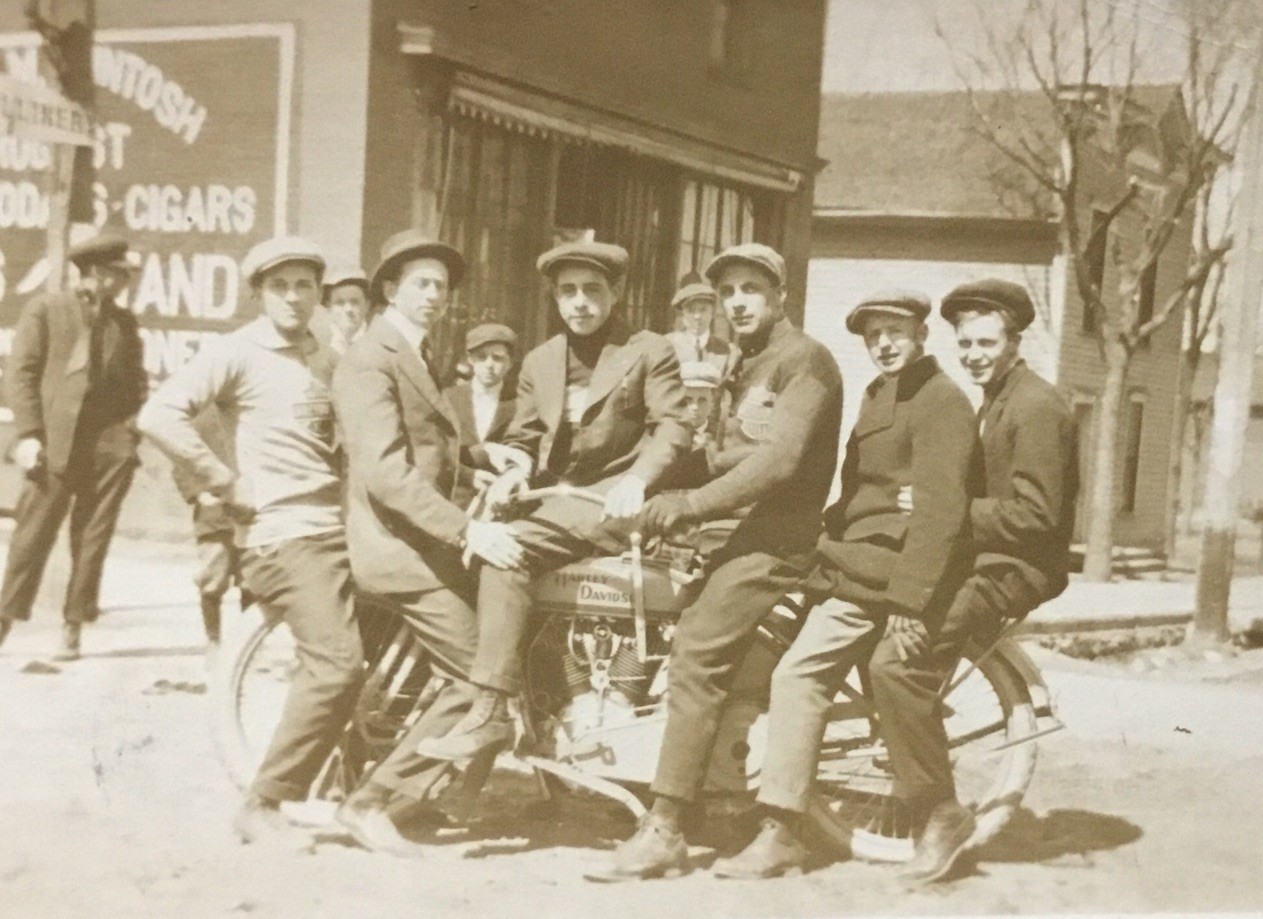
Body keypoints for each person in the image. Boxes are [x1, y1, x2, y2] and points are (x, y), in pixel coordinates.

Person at [588, 243, 844, 883]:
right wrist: (636, 484)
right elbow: (718, 455)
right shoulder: (744, 363)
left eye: (751, 289)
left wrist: (693, 506)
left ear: (780, 295)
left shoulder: (804, 361)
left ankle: (666, 828)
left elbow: (778, 461)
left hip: (774, 540)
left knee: (695, 656)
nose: (737, 302)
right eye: (728, 292)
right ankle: (716, 795)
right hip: (736, 534)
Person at [712, 289, 979, 880]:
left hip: (882, 571)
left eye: (895, 331)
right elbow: (860, 493)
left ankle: (781, 828)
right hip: (849, 556)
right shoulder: (879, 393)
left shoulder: (940, 401)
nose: (883, 343)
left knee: (797, 676)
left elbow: (939, 514)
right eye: (872, 335)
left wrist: (909, 601)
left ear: (921, 334)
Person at [414, 239, 693, 763]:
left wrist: (640, 477)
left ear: (616, 294)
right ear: (554, 298)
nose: (580, 302)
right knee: (474, 550)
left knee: (507, 553)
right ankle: (534, 710)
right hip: (555, 501)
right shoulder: (541, 361)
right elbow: (523, 438)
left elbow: (674, 425)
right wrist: (513, 471)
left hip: (615, 502)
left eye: (592, 290)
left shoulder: (648, 349)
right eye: (567, 292)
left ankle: (491, 710)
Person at [139, 236, 362, 848]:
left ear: (319, 293)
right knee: (339, 662)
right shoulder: (236, 351)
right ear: (261, 294)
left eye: (304, 286)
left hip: (340, 529)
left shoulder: (328, 357)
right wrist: (223, 481)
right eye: (279, 287)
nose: (294, 298)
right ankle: (263, 803)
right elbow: (159, 414)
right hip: (283, 535)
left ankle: (365, 791)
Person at [866, 278, 1078, 884]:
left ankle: (941, 814)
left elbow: (1038, 516)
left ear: (1015, 340)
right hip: (987, 555)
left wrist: (949, 507)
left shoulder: (1036, 405)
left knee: (896, 666)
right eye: (966, 343)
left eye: (987, 342)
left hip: (1018, 567)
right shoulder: (998, 396)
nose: (974, 355)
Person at [329, 229, 525, 856]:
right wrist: (469, 529)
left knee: (514, 626)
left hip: (423, 538)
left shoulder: (413, 351)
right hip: (395, 547)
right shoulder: (369, 357)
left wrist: (481, 456)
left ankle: (446, 791)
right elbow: (387, 472)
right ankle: (370, 801)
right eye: (422, 283)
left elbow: (428, 443)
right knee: (479, 678)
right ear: (390, 288)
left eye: (441, 285)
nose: (436, 295)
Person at [0, 234, 147, 661]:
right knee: (31, 535)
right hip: (53, 444)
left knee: (92, 537)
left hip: (108, 446)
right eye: (120, 275)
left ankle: (73, 625)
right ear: (98, 273)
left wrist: (130, 433)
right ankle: (5, 618)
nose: (125, 283)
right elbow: (22, 375)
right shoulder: (46, 310)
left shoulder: (125, 322)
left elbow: (135, 382)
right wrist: (28, 436)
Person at [168, 405, 248, 647]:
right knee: (212, 582)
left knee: (253, 581)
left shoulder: (255, 416)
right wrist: (199, 494)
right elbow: (181, 463)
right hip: (215, 520)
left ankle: (245, 644)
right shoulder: (202, 422)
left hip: (251, 516)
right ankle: (213, 641)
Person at [445, 322, 519, 509]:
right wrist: (466, 475)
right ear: (470, 359)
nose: (489, 365)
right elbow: (438, 450)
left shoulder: (519, 403)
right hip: (454, 497)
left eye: (497, 358)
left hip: (501, 500)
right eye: (481, 357)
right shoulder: (448, 398)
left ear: (510, 363)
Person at [323, 268, 370, 358]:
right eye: (340, 303)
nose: (348, 309)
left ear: (367, 305)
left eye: (355, 302)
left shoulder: (378, 345)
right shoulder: (321, 349)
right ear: (328, 307)